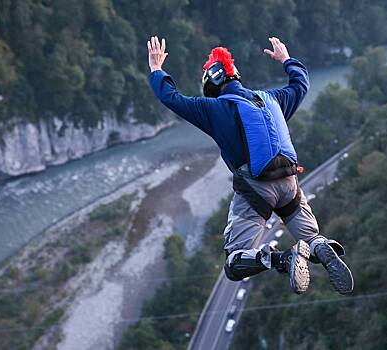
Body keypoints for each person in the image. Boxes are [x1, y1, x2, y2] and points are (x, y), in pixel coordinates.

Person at [147, 36, 353, 294]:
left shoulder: (213, 109)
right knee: (311, 238)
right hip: (290, 185)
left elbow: (172, 98)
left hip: (257, 191)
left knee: (234, 263)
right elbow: (301, 84)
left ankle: (282, 259)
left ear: (211, 83)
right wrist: (286, 59)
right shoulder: (272, 99)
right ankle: (320, 245)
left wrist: (157, 70)